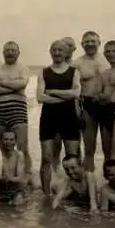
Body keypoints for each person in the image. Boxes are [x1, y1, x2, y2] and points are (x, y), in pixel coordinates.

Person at [36, 40, 81, 196]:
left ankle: (76, 192)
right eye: (54, 50)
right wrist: (65, 97)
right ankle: (47, 195)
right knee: (46, 158)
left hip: (69, 118)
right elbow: (40, 97)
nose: (57, 53)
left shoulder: (74, 71)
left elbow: (76, 93)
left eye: (60, 50)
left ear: (66, 52)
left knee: (73, 158)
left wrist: (52, 91)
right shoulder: (44, 72)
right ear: (50, 51)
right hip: (48, 119)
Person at [0, 41, 32, 179]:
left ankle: (26, 177)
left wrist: (2, 83)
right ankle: (4, 177)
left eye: (13, 50)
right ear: (3, 52)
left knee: (22, 147)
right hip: (0, 113)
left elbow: (23, 83)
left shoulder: (23, 68)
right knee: (1, 148)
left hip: (18, 112)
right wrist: (14, 88)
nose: (10, 52)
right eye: (7, 50)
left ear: (18, 53)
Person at [72, 31, 109, 172]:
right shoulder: (77, 63)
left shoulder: (108, 60)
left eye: (93, 41)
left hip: (106, 106)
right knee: (89, 149)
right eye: (87, 41)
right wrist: (77, 109)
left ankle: (108, 183)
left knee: (108, 150)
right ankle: (89, 182)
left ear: (99, 43)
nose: (90, 44)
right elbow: (74, 89)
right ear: (82, 44)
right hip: (87, 106)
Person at [52, 37, 79, 172]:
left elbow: (79, 92)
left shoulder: (77, 66)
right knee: (55, 147)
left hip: (74, 110)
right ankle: (56, 178)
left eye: (70, 45)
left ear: (74, 49)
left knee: (74, 149)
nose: (67, 47)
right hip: (55, 110)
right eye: (64, 45)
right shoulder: (54, 66)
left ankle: (77, 179)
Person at [0, 130, 27, 205]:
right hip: (0, 189)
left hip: (16, 189)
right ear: (1, 140)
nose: (8, 142)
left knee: (17, 203)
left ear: (15, 141)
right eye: (5, 139)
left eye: (11, 139)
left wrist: (8, 178)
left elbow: (20, 178)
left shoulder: (19, 155)